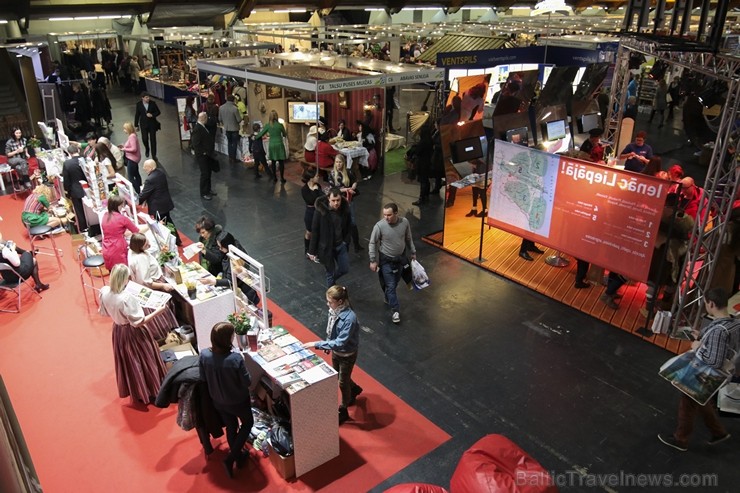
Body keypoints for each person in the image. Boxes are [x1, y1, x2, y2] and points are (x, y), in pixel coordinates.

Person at [658, 287, 740, 452]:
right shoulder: (734, 323)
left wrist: (697, 347)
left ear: (711, 303)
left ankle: (681, 439)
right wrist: (703, 335)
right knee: (700, 399)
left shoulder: (718, 332)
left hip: (706, 373)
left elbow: (714, 361)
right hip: (719, 375)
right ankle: (718, 433)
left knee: (688, 399)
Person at [99, 264, 168, 404]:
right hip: (134, 333)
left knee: (129, 362)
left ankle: (138, 390)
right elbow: (139, 322)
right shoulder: (125, 298)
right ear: (124, 279)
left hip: (118, 330)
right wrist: (158, 311)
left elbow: (104, 312)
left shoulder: (104, 291)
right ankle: (152, 388)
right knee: (145, 359)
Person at [199, 322, 253, 478]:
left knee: (231, 426)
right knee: (248, 423)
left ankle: (238, 456)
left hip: (218, 400)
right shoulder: (235, 359)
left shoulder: (204, 355)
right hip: (238, 400)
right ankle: (230, 459)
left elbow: (203, 378)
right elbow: (247, 382)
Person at [303, 285, 362, 424]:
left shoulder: (350, 319)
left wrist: (317, 344)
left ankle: (343, 408)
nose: (328, 304)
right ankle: (354, 389)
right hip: (337, 352)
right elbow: (331, 330)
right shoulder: (334, 311)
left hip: (347, 354)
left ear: (340, 301)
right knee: (339, 376)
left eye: (330, 301)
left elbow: (341, 342)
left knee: (342, 382)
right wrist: (328, 343)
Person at [368, 202, 417, 324]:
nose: (386, 217)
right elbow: (372, 243)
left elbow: (408, 237)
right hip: (386, 261)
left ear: (396, 213)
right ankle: (395, 310)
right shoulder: (379, 226)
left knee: (393, 283)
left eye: (389, 215)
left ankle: (388, 296)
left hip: (400, 259)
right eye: (384, 215)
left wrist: (413, 251)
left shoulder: (404, 222)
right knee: (390, 285)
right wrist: (373, 260)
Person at [200, 231, 259, 305]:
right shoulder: (231, 247)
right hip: (238, 287)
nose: (220, 249)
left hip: (242, 292)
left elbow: (230, 281)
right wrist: (204, 251)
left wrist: (214, 282)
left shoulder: (235, 258)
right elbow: (217, 258)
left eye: (221, 247)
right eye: (218, 246)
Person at [309, 188, 351, 287]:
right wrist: (312, 251)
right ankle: (332, 296)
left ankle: (331, 282)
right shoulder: (320, 211)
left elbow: (348, 226)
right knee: (330, 272)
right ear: (328, 198)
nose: (336, 203)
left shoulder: (345, 208)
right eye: (333, 200)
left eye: (338, 200)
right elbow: (315, 231)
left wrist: (346, 241)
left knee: (344, 269)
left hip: (341, 245)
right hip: (327, 248)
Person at [138, 159, 181, 245]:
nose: (143, 168)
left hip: (157, 206)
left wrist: (139, 198)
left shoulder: (150, 179)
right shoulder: (161, 172)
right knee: (168, 221)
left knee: (160, 225)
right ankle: (176, 240)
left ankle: (167, 242)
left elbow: (143, 195)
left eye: (145, 167)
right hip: (165, 203)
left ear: (150, 167)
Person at [101, 195, 148, 270]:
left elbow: (116, 231)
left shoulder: (105, 216)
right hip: (118, 248)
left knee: (113, 273)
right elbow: (137, 231)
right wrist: (149, 226)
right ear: (118, 206)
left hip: (106, 247)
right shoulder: (122, 219)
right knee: (122, 273)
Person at [329, 154, 362, 252]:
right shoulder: (332, 173)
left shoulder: (348, 171)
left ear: (343, 163)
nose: (338, 164)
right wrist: (347, 189)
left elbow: (354, 181)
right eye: (337, 162)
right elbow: (333, 189)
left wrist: (353, 186)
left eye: (340, 162)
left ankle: (356, 244)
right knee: (339, 223)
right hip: (338, 202)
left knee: (352, 222)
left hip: (349, 200)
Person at [61, 143, 89, 232]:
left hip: (75, 190)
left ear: (69, 153)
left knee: (79, 210)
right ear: (78, 150)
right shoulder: (85, 160)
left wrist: (67, 191)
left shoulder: (67, 163)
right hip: (88, 188)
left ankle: (83, 228)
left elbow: (67, 180)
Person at [256, 110, 287, 184]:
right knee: (281, 162)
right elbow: (285, 134)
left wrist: (255, 137)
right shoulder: (280, 125)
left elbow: (260, 134)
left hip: (272, 144)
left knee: (273, 162)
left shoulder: (268, 125)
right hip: (279, 144)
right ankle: (282, 178)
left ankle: (275, 178)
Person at [191, 112, 217, 200]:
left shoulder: (202, 126)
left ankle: (208, 189)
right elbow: (196, 144)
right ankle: (204, 192)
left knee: (208, 172)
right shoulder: (197, 129)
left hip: (208, 155)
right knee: (205, 173)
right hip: (202, 156)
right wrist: (203, 152)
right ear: (203, 118)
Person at [301, 170, 323, 262]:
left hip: (318, 211)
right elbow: (311, 200)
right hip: (310, 211)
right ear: (311, 178)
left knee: (318, 231)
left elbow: (321, 197)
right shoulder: (304, 189)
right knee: (309, 232)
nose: (318, 177)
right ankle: (307, 249)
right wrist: (314, 191)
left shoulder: (318, 186)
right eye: (316, 176)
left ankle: (316, 250)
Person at [134, 92, 161, 160]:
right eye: (146, 97)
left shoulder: (153, 103)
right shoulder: (139, 104)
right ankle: (147, 148)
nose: (148, 98)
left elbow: (158, 112)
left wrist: (152, 115)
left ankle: (154, 155)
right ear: (142, 98)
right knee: (144, 138)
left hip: (152, 124)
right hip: (143, 124)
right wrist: (136, 125)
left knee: (153, 140)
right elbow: (137, 115)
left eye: (148, 97)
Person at [412, 123, 434, 206]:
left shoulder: (423, 142)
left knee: (422, 181)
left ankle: (422, 198)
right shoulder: (430, 140)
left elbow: (418, 152)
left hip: (422, 163)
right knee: (426, 180)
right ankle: (426, 195)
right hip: (428, 162)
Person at [120, 122, 142, 194]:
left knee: (131, 177)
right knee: (136, 174)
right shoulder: (133, 136)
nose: (124, 130)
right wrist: (125, 146)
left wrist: (124, 149)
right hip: (134, 159)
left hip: (132, 159)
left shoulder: (132, 136)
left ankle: (138, 191)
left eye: (125, 129)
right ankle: (140, 189)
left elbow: (134, 149)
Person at [219, 95, 242, 164]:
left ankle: (230, 158)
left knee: (229, 143)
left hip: (227, 128)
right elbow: (239, 119)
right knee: (234, 143)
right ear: (233, 100)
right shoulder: (234, 108)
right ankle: (234, 158)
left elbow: (219, 119)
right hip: (234, 128)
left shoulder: (221, 107)